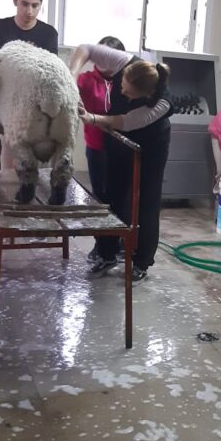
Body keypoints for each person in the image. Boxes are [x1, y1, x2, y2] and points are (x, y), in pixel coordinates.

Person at [71, 43, 171, 283]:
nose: (121, 92)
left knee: (147, 200)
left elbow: (122, 121)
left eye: (127, 93)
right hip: (118, 139)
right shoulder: (125, 62)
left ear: (145, 95)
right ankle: (107, 253)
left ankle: (142, 261)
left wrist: (90, 117)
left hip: (152, 146)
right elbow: (86, 48)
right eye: (121, 86)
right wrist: (71, 76)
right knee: (112, 195)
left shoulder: (160, 104)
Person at [76, 35, 126, 204]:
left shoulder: (126, 81)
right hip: (97, 146)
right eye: (99, 54)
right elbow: (69, 86)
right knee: (100, 194)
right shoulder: (85, 79)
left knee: (120, 194)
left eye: (107, 55)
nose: (102, 60)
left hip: (122, 146)